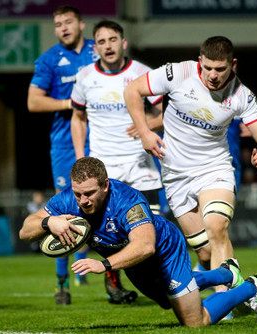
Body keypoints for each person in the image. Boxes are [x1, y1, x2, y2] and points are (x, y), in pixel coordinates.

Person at [19, 157, 257, 326]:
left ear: (106, 185)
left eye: (89, 193)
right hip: (131, 258)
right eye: (78, 194)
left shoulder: (128, 201)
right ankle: (225, 273)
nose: (83, 201)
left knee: (194, 321)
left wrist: (105, 265)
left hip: (164, 250)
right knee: (167, 300)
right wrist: (47, 222)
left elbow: (145, 246)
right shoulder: (67, 200)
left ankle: (251, 287)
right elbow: (25, 231)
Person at [123, 36, 257, 282]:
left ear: (233, 65)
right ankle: (229, 287)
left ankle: (226, 304)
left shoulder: (241, 95)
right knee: (204, 252)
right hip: (175, 175)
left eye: (220, 69)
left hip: (214, 169)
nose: (213, 75)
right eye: (207, 68)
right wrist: (144, 133)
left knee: (217, 228)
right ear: (199, 61)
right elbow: (133, 90)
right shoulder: (178, 73)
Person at [27, 5, 131, 305]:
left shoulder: (99, 49)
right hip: (65, 145)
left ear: (81, 24)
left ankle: (113, 282)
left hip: (101, 140)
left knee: (111, 207)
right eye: (57, 24)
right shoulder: (49, 60)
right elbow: (33, 102)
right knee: (66, 211)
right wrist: (72, 104)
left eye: (68, 22)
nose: (63, 28)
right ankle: (62, 284)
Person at [70, 19, 165, 303]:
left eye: (113, 40)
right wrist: (80, 158)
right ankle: (114, 282)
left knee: (154, 225)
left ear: (123, 43)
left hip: (140, 162)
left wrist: (148, 126)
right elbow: (78, 118)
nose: (107, 46)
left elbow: (164, 112)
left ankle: (161, 281)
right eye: (101, 41)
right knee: (108, 229)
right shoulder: (85, 76)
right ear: (94, 47)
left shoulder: (142, 72)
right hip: (104, 166)